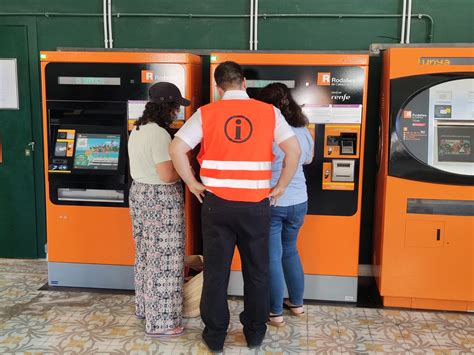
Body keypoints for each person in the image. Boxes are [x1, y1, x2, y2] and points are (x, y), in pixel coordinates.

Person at [169, 61, 301, 353]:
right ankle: (254, 332)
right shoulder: (269, 112)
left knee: (217, 272)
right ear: (244, 83)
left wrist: (192, 183)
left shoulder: (206, 113)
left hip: (217, 205)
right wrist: (279, 187)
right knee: (258, 271)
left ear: (218, 88)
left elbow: (176, 148)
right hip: (256, 205)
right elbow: (295, 150)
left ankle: (215, 335)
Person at [127, 82, 189, 337]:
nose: (177, 113)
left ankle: (145, 308)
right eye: (176, 108)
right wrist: (185, 170)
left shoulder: (139, 128)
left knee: (146, 256)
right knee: (165, 261)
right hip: (160, 199)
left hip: (140, 195)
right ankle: (162, 323)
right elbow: (166, 175)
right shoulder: (160, 134)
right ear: (168, 108)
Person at [259, 83, 314, 327]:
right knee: (290, 250)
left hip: (273, 199)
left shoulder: (266, 130)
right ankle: (298, 304)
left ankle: (275, 312)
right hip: (299, 200)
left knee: (272, 256)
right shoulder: (302, 129)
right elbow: (309, 159)